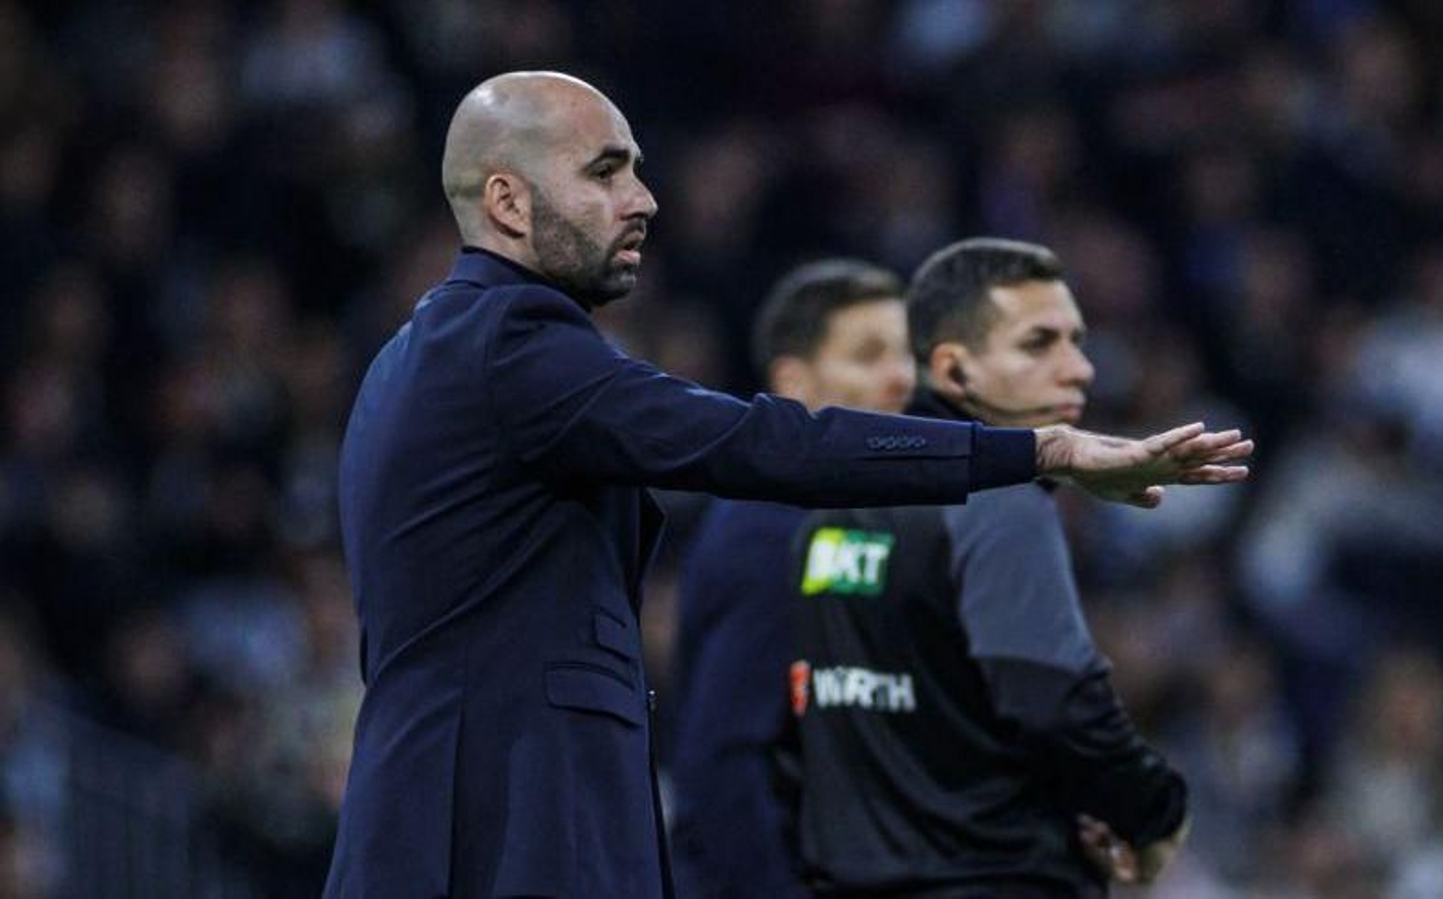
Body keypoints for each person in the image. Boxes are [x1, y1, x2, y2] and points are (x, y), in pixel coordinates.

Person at [326, 72, 1250, 899]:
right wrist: (1040, 450)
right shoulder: (513, 343)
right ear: (508, 201)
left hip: (454, 808)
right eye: (606, 172)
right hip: (503, 822)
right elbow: (759, 443)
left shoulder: (419, 358)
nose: (643, 199)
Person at [786, 237, 1197, 897]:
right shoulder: (1000, 505)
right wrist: (1156, 811)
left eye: (1078, 340)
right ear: (954, 372)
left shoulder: (827, 513)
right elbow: (1055, 704)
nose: (1081, 369)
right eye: (1040, 343)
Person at [671, 259, 915, 898]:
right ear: (793, 383)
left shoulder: (866, 527)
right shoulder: (771, 531)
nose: (900, 379)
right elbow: (724, 760)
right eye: (868, 356)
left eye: (904, 355)